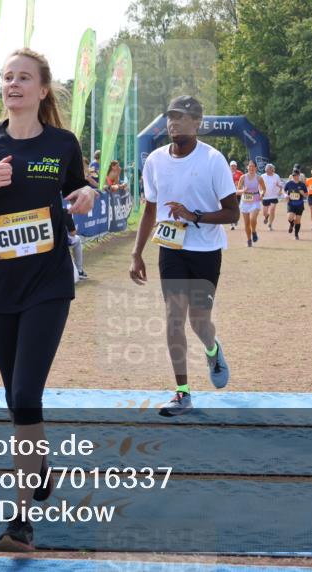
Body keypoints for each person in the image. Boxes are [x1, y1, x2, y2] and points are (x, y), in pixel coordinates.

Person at [0, 48, 97, 552]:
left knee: (27, 395)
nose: (13, 84)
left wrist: (89, 193)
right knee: (15, 399)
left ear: (42, 89)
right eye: (7, 77)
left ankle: (20, 521)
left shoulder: (62, 143)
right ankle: (40, 469)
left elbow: (80, 190)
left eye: (23, 78)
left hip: (48, 283)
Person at [129, 95, 238, 418]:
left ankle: (212, 350)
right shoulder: (155, 161)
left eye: (182, 117)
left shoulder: (212, 160)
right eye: (171, 117)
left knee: (198, 321)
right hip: (171, 250)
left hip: (205, 250)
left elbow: (232, 213)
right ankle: (182, 393)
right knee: (174, 317)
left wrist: (195, 216)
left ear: (197, 123)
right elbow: (150, 208)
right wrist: (136, 253)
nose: (174, 123)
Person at [283, 167, 307, 239]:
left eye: (296, 175)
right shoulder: (289, 183)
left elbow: (306, 195)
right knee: (290, 218)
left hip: (299, 204)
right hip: (291, 203)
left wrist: (302, 193)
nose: (295, 177)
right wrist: (285, 195)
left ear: (299, 175)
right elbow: (283, 190)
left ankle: (296, 234)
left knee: (298, 220)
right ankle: (291, 224)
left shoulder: (302, 184)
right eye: (293, 175)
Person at [260, 163, 282, 231]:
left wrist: (280, 191)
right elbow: (260, 186)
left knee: (272, 209)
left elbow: (280, 185)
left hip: (274, 196)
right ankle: (266, 217)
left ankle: (270, 224)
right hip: (265, 196)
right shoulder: (262, 176)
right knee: (264, 212)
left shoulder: (276, 176)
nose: (267, 170)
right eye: (266, 169)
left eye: (269, 169)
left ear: (272, 169)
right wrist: (261, 193)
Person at [229, 160, 243, 231]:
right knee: (231, 207)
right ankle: (232, 223)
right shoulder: (226, 173)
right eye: (232, 166)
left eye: (234, 166)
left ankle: (235, 219)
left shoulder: (240, 173)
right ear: (230, 166)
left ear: (236, 166)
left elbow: (244, 181)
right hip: (229, 193)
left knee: (237, 207)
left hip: (238, 192)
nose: (233, 167)